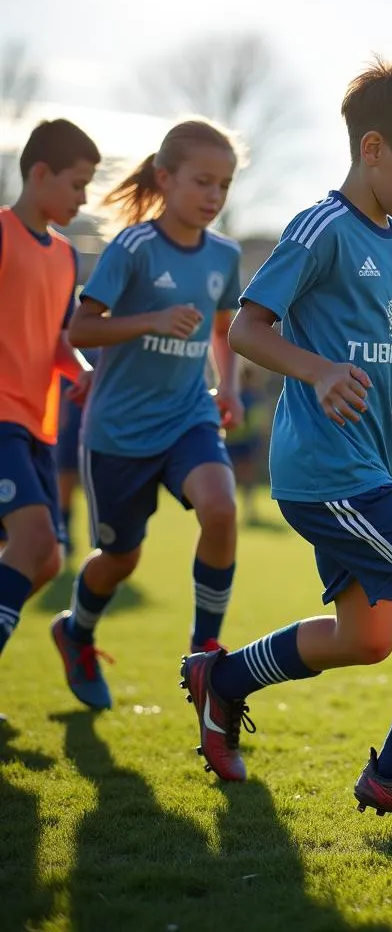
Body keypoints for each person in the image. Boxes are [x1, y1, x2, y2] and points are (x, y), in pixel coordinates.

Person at [180, 54, 392, 836]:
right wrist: (319, 369)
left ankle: (221, 679)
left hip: (358, 472)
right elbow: (253, 329)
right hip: (329, 474)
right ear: (371, 149)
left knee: (368, 637)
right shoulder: (320, 228)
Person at [51, 119, 244, 711]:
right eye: (202, 182)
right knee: (120, 559)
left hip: (188, 417)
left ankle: (204, 650)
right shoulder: (133, 248)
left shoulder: (225, 255)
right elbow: (80, 328)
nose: (213, 196)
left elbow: (224, 332)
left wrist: (230, 386)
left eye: (224, 185)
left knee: (221, 507)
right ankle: (76, 631)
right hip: (118, 431)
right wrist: (150, 321)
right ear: (165, 178)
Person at [0, 120, 99, 671]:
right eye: (77, 184)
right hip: (0, 420)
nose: (84, 198)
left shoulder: (65, 256)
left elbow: (59, 337)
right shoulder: (2, 233)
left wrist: (79, 367)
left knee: (45, 559)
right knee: (35, 540)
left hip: (37, 426)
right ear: (40, 174)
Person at [55, 348, 100, 556]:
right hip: (71, 398)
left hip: (100, 408)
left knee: (103, 473)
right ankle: (63, 530)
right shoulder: (73, 325)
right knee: (66, 470)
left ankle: (104, 534)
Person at [223, 365, 268, 525]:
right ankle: (239, 510)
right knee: (235, 478)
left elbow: (258, 422)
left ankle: (247, 511)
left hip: (242, 442)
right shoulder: (243, 396)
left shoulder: (249, 396)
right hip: (238, 442)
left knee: (243, 478)